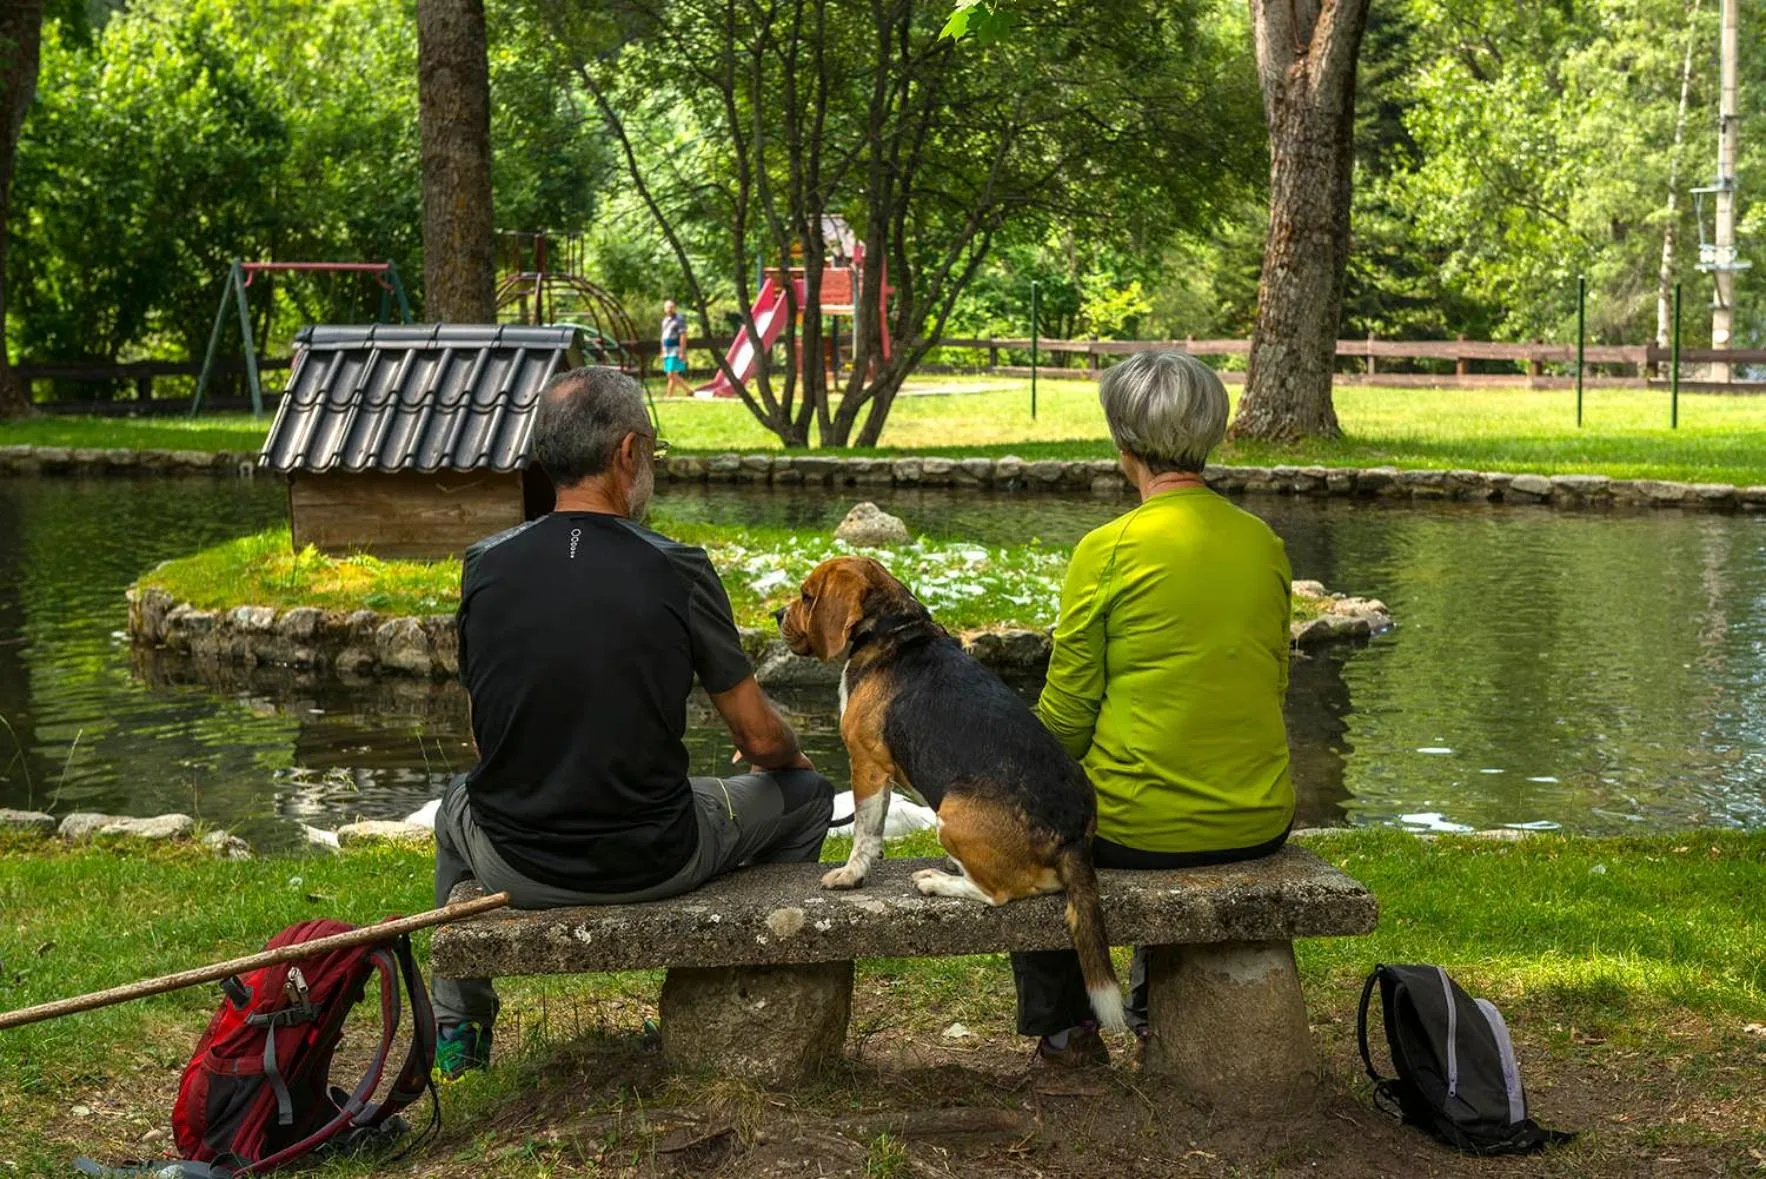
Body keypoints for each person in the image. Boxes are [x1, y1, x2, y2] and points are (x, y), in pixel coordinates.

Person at [431, 366, 834, 1078]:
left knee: (455, 807)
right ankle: (726, 995)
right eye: (649, 451)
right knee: (808, 800)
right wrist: (790, 756)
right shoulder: (676, 567)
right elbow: (760, 738)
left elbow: (482, 739)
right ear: (627, 454)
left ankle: (459, 1030)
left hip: (514, 862)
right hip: (657, 856)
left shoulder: (484, 565)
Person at [1012, 350, 1295, 1068]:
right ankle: (1147, 1006)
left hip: (1143, 829)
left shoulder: (1106, 550)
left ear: (1123, 444)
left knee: (1027, 820)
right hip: (1259, 816)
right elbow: (1271, 682)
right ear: (1213, 435)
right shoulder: (1264, 545)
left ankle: (1068, 1031)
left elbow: (1066, 724)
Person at [659, 299, 691, 396]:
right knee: (671, 374)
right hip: (666, 350)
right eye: (667, 307)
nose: (669, 309)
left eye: (671, 307)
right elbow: (663, 336)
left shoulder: (679, 319)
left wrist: (682, 350)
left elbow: (683, 335)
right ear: (664, 309)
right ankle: (689, 390)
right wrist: (662, 349)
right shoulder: (664, 321)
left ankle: (669, 396)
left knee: (671, 373)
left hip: (675, 348)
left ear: (674, 308)